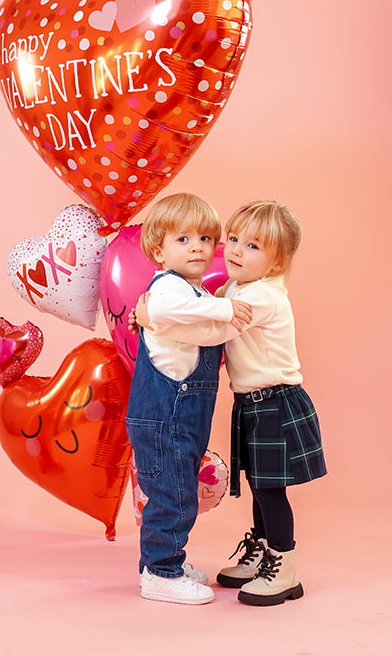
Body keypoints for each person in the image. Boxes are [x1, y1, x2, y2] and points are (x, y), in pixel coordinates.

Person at [135, 200, 327, 606]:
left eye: (253, 246)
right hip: (252, 402)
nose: (236, 250)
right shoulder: (234, 289)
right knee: (260, 486)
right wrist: (155, 315)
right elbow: (201, 309)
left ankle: (284, 566)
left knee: (270, 491)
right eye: (235, 239)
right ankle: (263, 551)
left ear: (278, 262)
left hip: (275, 401)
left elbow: (213, 329)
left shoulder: (262, 297)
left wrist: (152, 319)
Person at [126, 193, 252, 605]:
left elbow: (209, 333)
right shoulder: (167, 290)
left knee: (180, 492)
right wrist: (226, 309)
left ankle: (167, 563)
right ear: (158, 250)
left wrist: (228, 319)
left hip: (183, 419)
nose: (196, 247)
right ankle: (160, 573)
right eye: (182, 239)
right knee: (172, 497)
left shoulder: (194, 296)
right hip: (164, 416)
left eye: (205, 238)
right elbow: (165, 312)